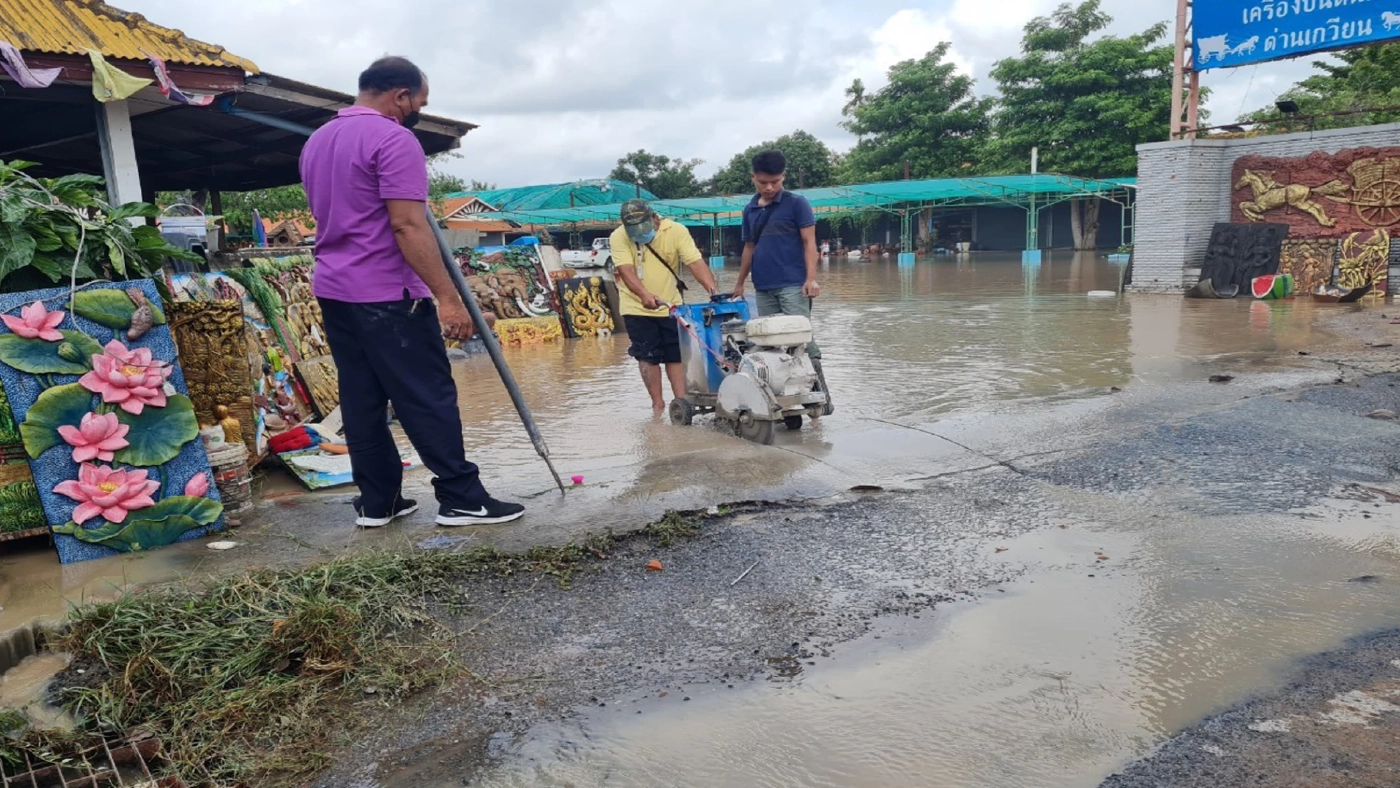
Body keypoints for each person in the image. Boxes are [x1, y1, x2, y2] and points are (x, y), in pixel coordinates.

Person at [300, 56, 524, 528]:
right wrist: (448, 299)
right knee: (426, 394)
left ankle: (379, 501)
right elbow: (407, 224)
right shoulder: (393, 138)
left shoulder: (317, 141)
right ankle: (462, 498)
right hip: (387, 292)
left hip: (334, 290)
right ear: (400, 95)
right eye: (418, 103)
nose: (417, 112)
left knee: (361, 398)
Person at [611, 199, 720, 412]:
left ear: (654, 218)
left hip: (671, 305)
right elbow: (626, 270)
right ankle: (657, 405)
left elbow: (695, 263)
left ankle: (681, 404)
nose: (640, 235)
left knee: (675, 354)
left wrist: (713, 291)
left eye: (643, 229)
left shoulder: (676, 231)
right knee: (647, 356)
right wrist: (643, 294)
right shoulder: (619, 236)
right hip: (635, 306)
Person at [732, 150, 827, 373]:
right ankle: (781, 386)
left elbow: (809, 243)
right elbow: (749, 247)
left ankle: (817, 384)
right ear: (753, 178)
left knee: (801, 337)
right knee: (769, 340)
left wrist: (811, 279)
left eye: (775, 182)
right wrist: (740, 283)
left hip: (793, 285)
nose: (769, 188)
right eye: (763, 182)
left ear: (783, 176)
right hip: (763, 286)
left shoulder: (797, 203)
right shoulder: (750, 210)